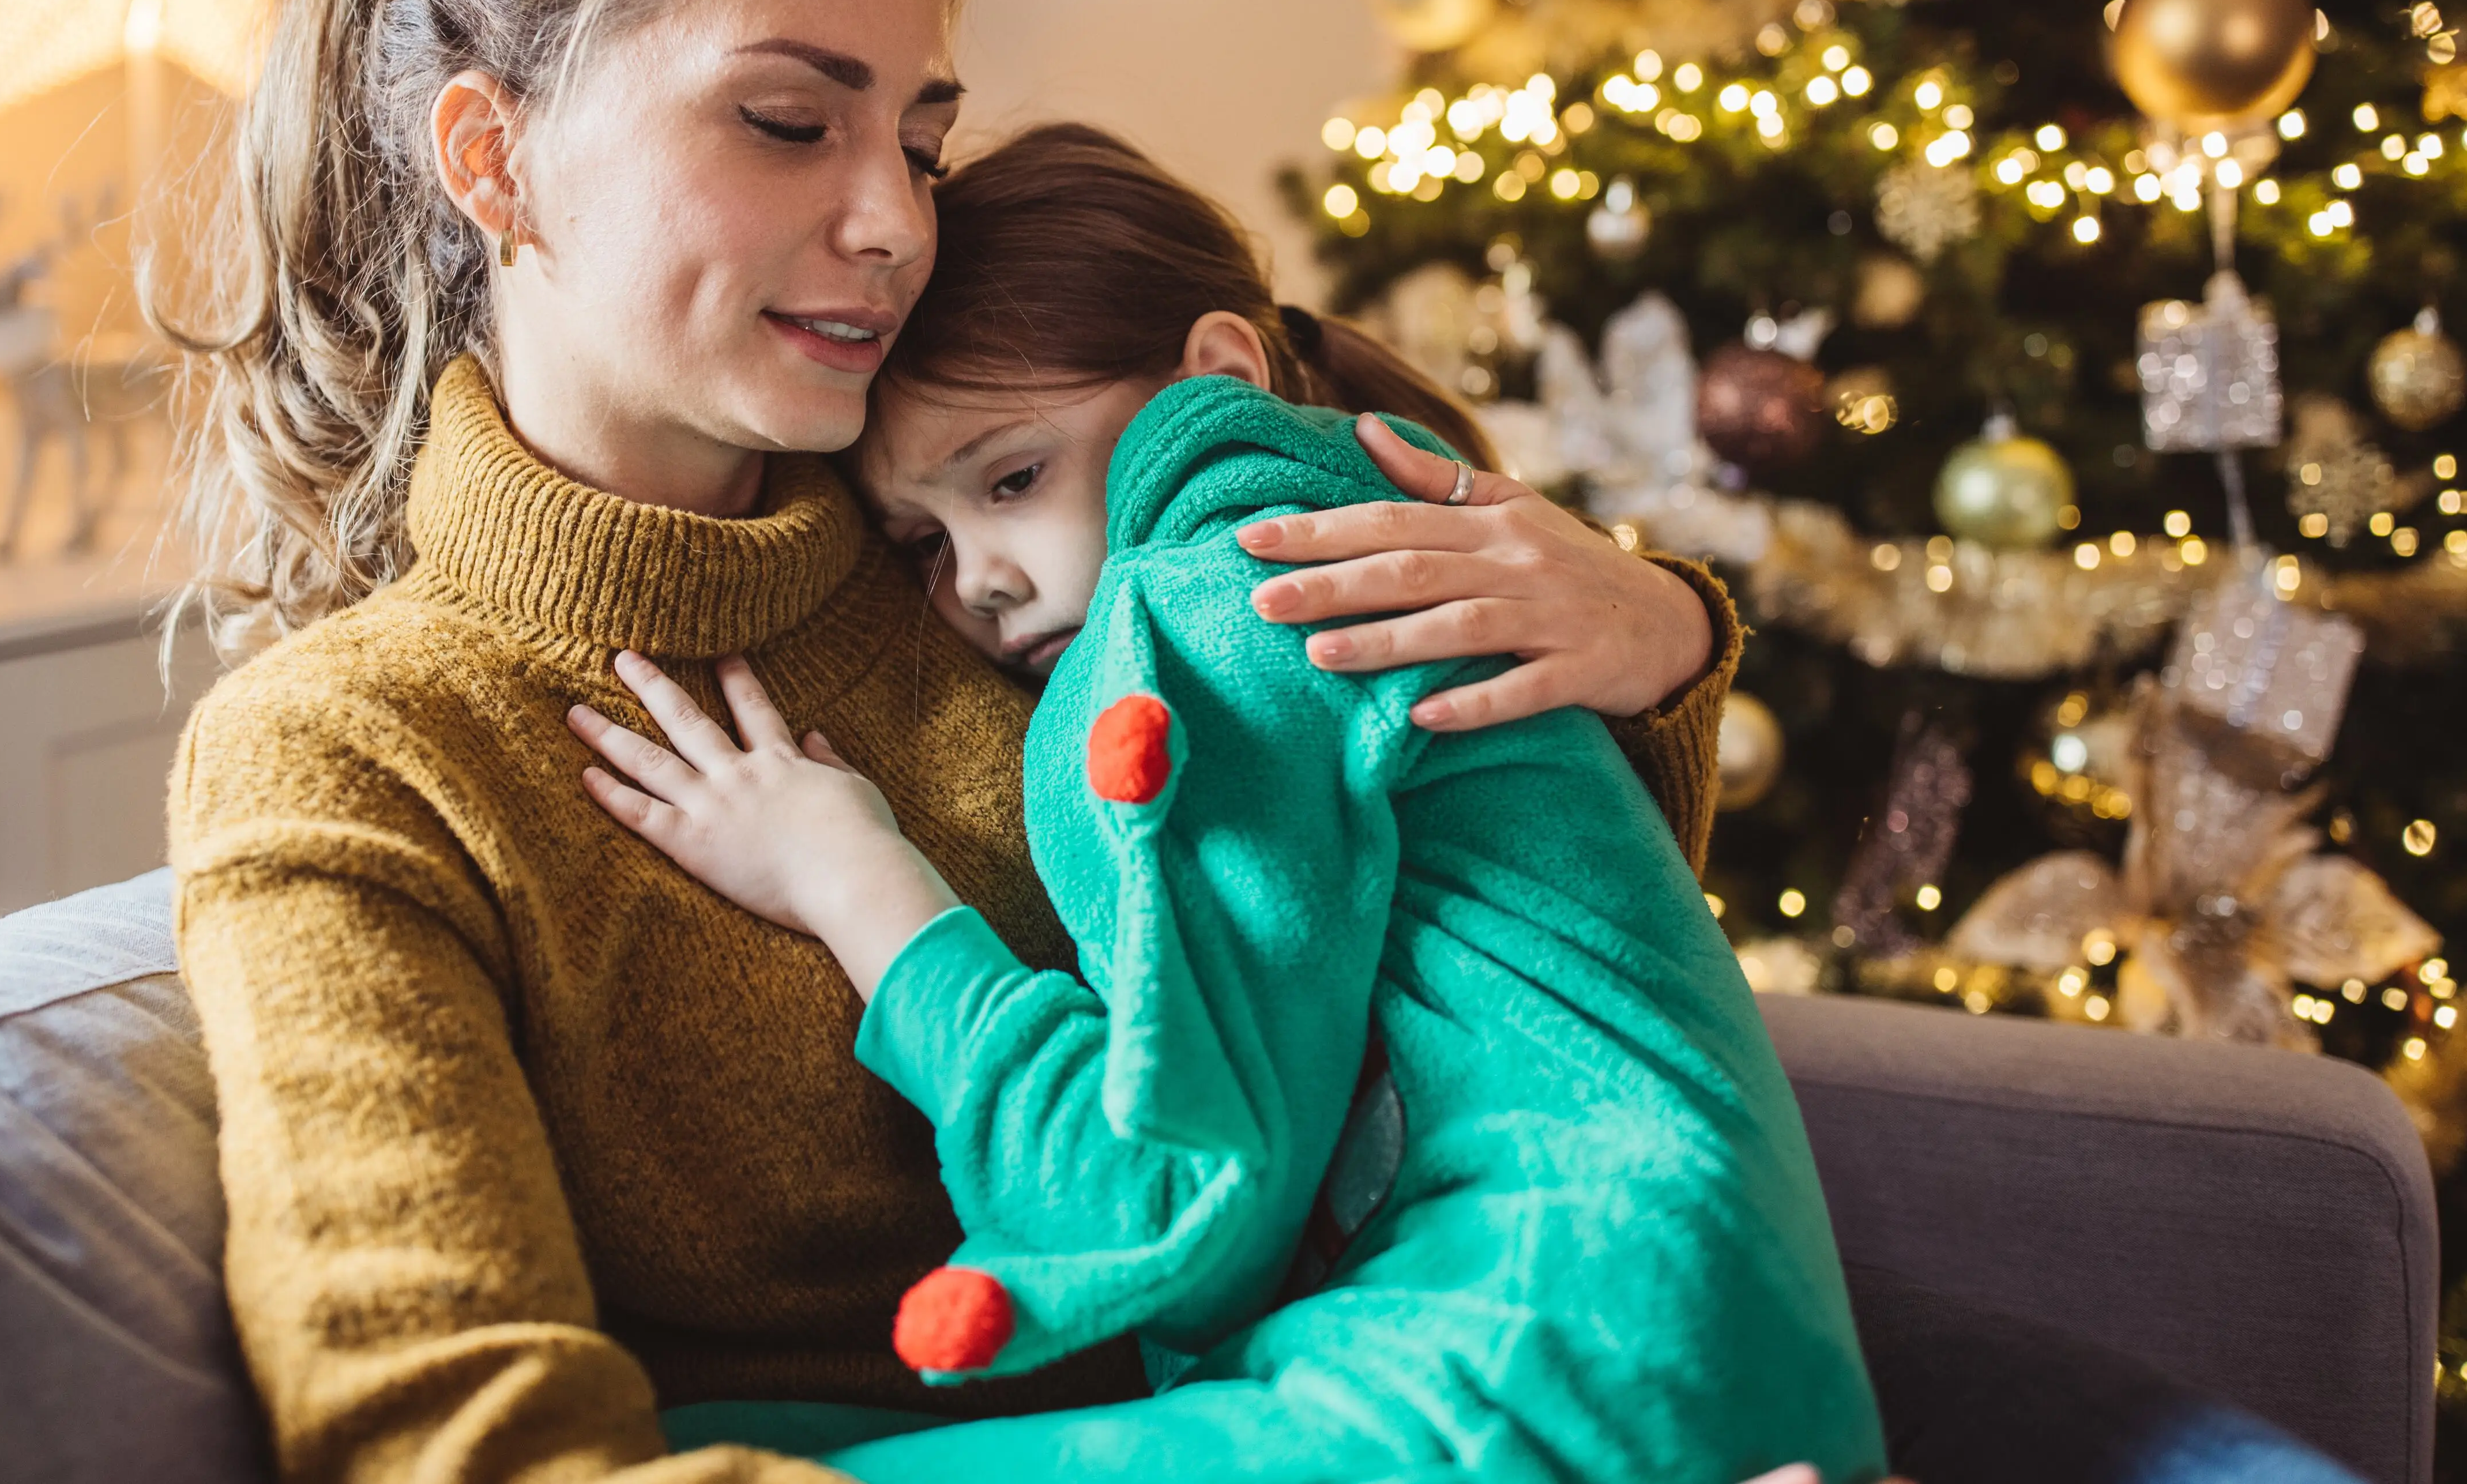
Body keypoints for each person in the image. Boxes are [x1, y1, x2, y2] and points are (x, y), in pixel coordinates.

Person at [155, 0, 1736, 1484]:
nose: (897, 219)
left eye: (923, 139)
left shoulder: (1042, 561)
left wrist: (1652, 642)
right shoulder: (353, 757)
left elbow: (1516, 972)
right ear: (494, 155)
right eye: (787, 122)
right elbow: (463, 1441)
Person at [571, 125, 1885, 1483]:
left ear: (1212, 371)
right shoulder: (1344, 532)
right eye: (923, 542)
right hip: (1673, 1332)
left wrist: (856, 883)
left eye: (1012, 478)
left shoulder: (1217, 600)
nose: (978, 583)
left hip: (1546, 1362)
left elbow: (1173, 1199)